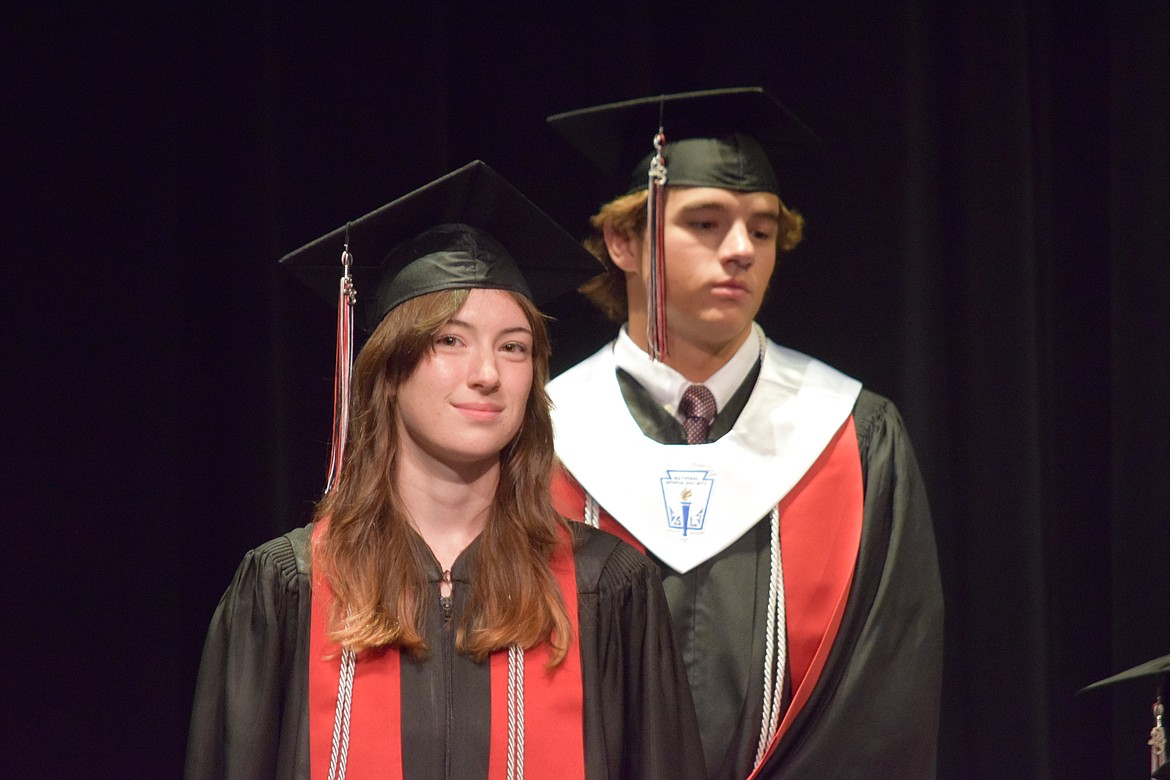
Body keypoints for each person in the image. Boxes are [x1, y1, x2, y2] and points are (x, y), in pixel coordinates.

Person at [185, 161, 705, 780]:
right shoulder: (289, 587)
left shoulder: (607, 589)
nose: (487, 372)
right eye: (451, 341)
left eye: (513, 346)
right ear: (388, 369)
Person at [545, 89, 944, 779]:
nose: (740, 251)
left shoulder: (852, 432)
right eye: (706, 222)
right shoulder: (542, 437)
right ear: (623, 242)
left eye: (761, 231)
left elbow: (885, 692)